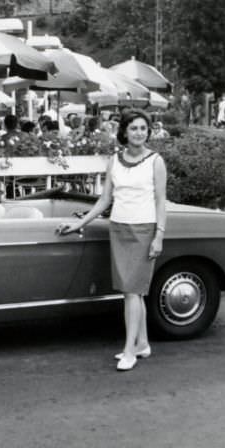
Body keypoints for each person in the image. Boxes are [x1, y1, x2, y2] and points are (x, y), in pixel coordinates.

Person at [58, 109, 166, 372]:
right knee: (133, 291)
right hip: (118, 228)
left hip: (144, 230)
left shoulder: (156, 161)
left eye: (143, 128)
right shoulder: (114, 161)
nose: (139, 133)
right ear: (124, 133)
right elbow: (105, 199)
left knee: (131, 291)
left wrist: (159, 236)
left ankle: (129, 350)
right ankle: (142, 344)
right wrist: (79, 224)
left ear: (148, 132)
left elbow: (160, 201)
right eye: (134, 128)